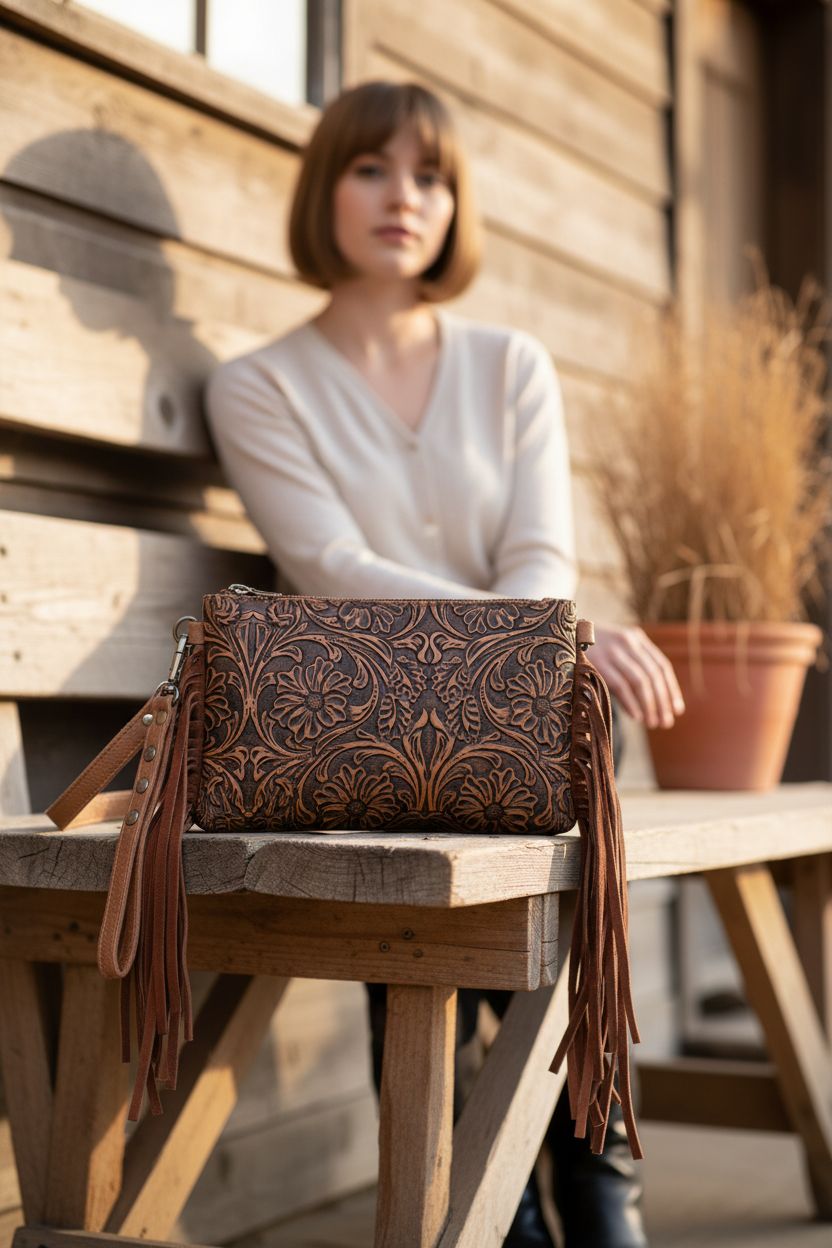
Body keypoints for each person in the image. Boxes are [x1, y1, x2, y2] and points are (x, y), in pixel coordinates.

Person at [204, 79, 685, 1248]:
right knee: (428, 810)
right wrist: (554, 639)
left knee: (556, 793)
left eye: (431, 176)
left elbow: (542, 559)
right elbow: (330, 570)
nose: (403, 198)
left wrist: (543, 651)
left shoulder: (510, 363)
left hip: (530, 713)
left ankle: (571, 1183)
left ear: (455, 203)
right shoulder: (257, 384)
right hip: (369, 728)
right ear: (326, 189)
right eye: (372, 168)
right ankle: (517, 1197)